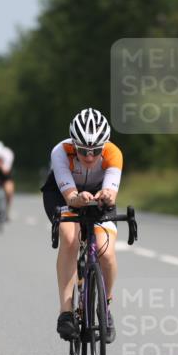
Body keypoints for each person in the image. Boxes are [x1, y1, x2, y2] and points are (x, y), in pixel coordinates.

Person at [41, 108, 123, 343]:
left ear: (104, 146)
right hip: (62, 195)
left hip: (97, 196)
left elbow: (111, 193)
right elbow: (69, 196)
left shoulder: (114, 153)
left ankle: (104, 308)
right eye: (83, 151)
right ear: (73, 144)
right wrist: (77, 198)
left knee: (106, 253)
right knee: (70, 238)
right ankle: (66, 312)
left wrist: (105, 195)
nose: (89, 157)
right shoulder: (60, 151)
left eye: (96, 151)